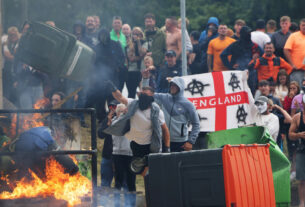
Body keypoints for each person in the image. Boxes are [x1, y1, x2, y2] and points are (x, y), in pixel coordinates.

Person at [105, 83, 170, 157]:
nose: (143, 96)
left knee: (147, 167)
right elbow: (120, 97)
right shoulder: (133, 104)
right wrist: (113, 88)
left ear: (151, 97)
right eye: (141, 93)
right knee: (137, 166)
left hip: (150, 146)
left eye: (145, 94)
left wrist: (167, 148)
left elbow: (165, 130)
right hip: (135, 143)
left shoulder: (157, 112)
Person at [142, 75, 200, 152]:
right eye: (171, 85)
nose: (172, 87)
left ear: (181, 87)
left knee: (178, 164)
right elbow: (146, 94)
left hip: (181, 143)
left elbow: (196, 124)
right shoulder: (164, 97)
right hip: (164, 140)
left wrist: (190, 141)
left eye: (175, 85)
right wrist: (145, 79)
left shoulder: (188, 104)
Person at [86, 28, 125, 122]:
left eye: (104, 35)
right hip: (100, 77)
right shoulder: (97, 47)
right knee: (100, 98)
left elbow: (122, 57)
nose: (103, 37)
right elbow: (93, 62)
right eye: (101, 35)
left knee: (113, 97)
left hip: (114, 76)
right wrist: (95, 74)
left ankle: (114, 117)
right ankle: (101, 119)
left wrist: (118, 67)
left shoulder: (115, 44)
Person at [221, 26, 261, 94]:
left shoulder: (255, 46)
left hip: (251, 73)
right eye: (247, 33)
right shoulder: (235, 45)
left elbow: (263, 56)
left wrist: (257, 61)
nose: (248, 34)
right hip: (238, 73)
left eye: (249, 33)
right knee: (238, 93)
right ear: (243, 34)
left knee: (251, 94)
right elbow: (223, 55)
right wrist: (230, 65)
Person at [289, 94, 305, 207]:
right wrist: (299, 134)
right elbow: (290, 134)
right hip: (301, 150)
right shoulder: (297, 117)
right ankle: (302, 202)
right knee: (302, 179)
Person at [126, 27, 147, 98]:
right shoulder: (128, 45)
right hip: (131, 71)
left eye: (137, 34)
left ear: (141, 35)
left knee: (143, 92)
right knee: (131, 93)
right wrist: (140, 57)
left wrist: (138, 42)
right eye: (133, 34)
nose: (135, 36)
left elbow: (141, 53)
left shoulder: (144, 43)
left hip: (141, 71)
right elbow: (131, 58)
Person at [284, 18, 305, 87]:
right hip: (298, 70)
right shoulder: (294, 36)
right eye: (303, 25)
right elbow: (286, 49)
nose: (304, 27)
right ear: (300, 26)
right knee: (298, 91)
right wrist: (292, 64)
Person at [2, 26, 20, 105]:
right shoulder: (5, 42)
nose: (12, 37)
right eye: (10, 35)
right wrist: (5, 45)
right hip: (7, 73)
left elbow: (13, 57)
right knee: (6, 94)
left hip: (18, 74)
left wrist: (5, 45)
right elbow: (7, 56)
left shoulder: (20, 43)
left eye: (14, 35)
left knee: (17, 95)